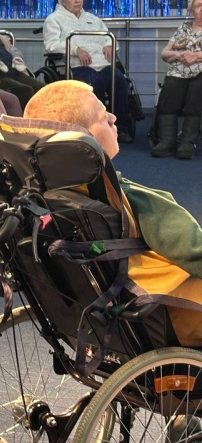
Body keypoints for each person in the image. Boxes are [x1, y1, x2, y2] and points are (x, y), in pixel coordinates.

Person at [22, 79, 202, 346]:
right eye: (103, 116)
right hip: (173, 310)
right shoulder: (130, 198)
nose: (113, 117)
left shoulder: (47, 196)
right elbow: (193, 250)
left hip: (99, 312)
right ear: (84, 141)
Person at [43, 0, 131, 143]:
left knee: (120, 80)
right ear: (63, 0)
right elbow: (51, 45)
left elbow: (110, 38)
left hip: (102, 63)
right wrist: (75, 49)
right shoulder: (54, 19)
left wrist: (109, 45)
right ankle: (96, 130)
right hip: (76, 65)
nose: (77, 0)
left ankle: (121, 128)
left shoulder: (92, 19)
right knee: (94, 82)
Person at [151, 0, 202, 159]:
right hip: (179, 72)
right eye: (198, 5)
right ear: (191, 10)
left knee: (196, 91)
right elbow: (165, 53)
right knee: (169, 90)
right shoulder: (184, 27)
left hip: (200, 73)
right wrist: (179, 55)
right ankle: (167, 141)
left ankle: (187, 142)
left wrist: (196, 56)